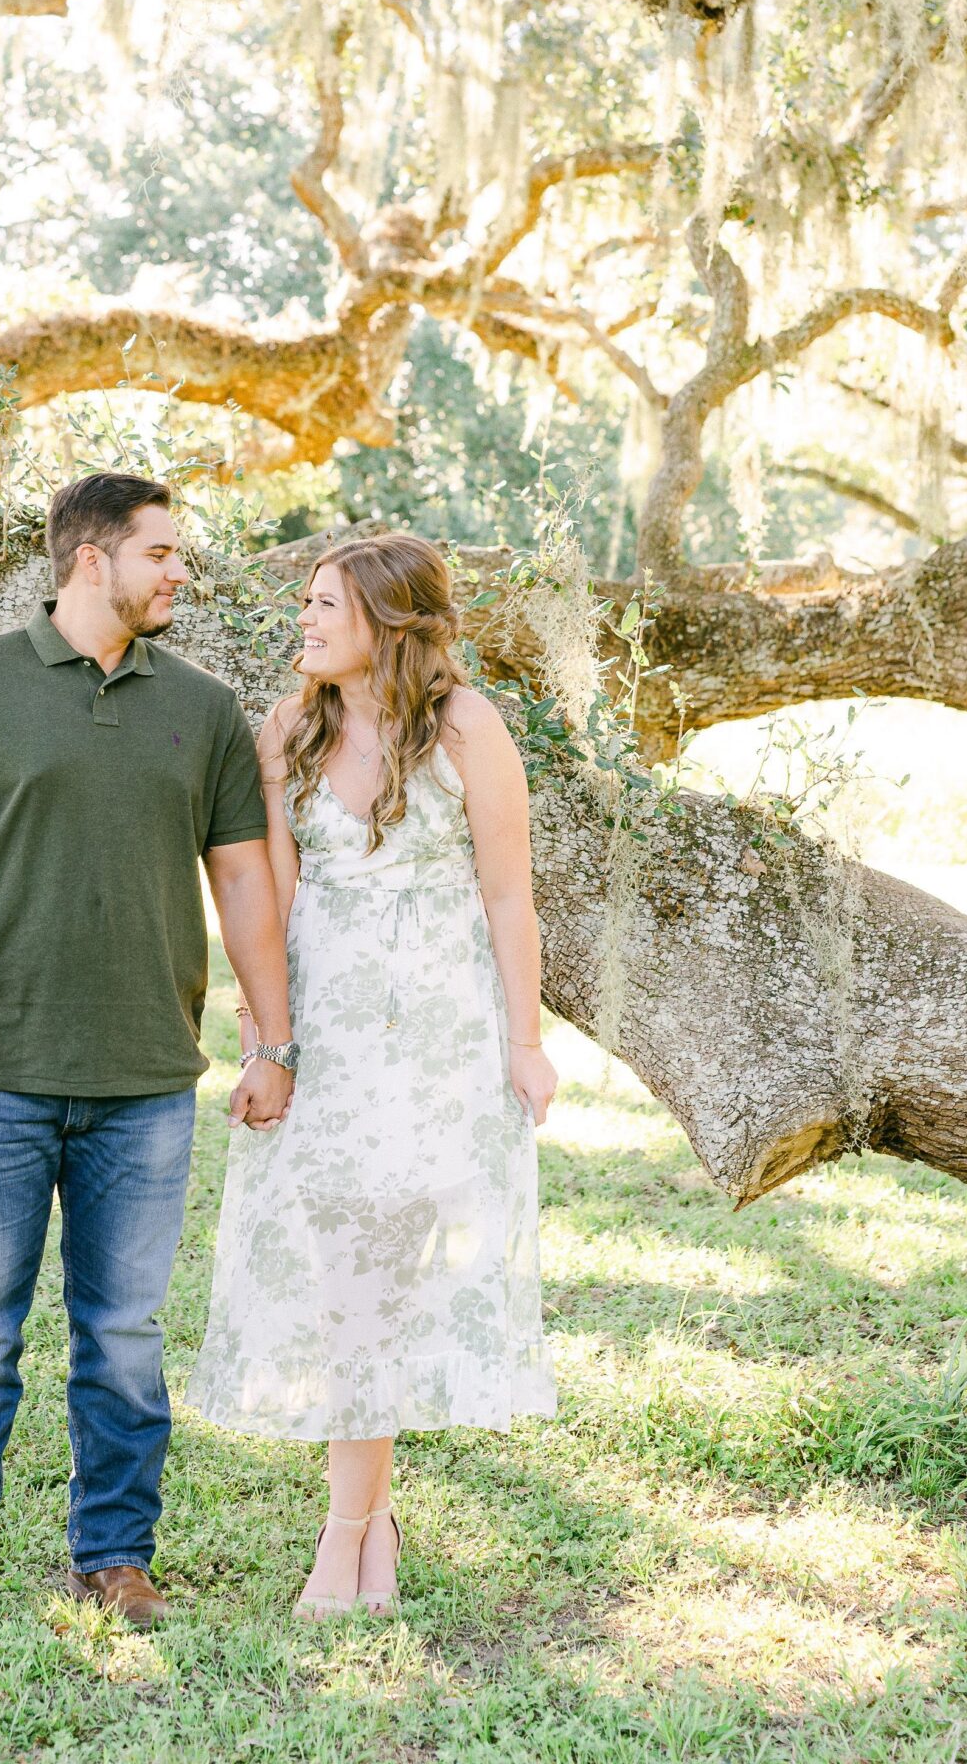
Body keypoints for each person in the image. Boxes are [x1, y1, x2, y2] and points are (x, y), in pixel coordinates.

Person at [0, 471, 298, 1633]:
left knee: (121, 1340)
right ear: (87, 560)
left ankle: (114, 1555)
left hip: (146, 1084)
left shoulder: (202, 707)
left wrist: (274, 1036)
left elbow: (246, 880)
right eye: (160, 553)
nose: (178, 573)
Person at [189, 533, 558, 1615]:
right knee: (342, 1271)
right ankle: (361, 1519)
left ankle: (355, 1524)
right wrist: (268, 1041)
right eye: (302, 603)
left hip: (438, 1037)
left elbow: (506, 897)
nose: (301, 622)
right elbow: (271, 904)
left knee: (393, 1276)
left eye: (323, 606)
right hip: (329, 1040)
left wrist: (524, 1043)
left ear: (389, 623)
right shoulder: (290, 728)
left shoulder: (466, 727)